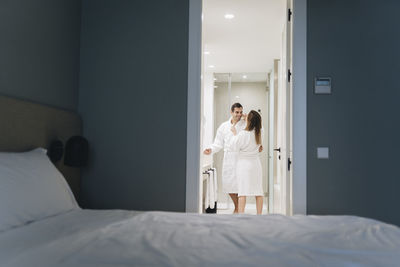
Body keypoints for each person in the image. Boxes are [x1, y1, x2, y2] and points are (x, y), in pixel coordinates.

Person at [203, 103, 246, 213]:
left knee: (240, 185)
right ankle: (237, 206)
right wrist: (211, 149)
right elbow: (218, 143)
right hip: (229, 158)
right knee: (228, 184)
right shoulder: (224, 126)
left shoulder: (245, 124)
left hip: (241, 157)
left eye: (241, 112)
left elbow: (255, 133)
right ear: (231, 112)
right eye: (237, 112)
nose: (239, 114)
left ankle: (238, 209)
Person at [229, 110, 264, 215]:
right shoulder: (260, 132)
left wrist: (234, 133)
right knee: (258, 191)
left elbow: (233, 147)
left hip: (244, 165)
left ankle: (241, 216)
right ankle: (259, 216)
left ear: (248, 120)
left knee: (242, 192)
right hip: (256, 165)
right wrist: (248, 118)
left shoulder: (243, 134)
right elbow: (261, 127)